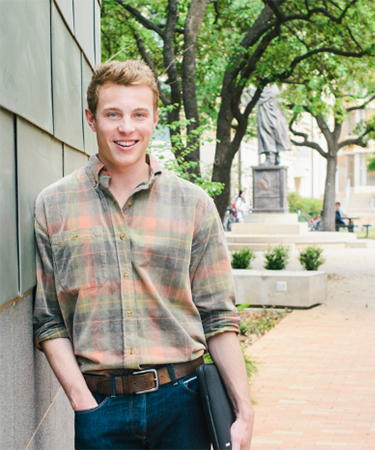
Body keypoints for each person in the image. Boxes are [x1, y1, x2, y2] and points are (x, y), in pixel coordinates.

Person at [33, 60, 254, 450]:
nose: (126, 128)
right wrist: (82, 402)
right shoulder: (53, 205)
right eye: (112, 114)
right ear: (91, 118)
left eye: (139, 114)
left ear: (154, 119)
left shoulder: (193, 205)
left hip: (183, 403)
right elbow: (50, 320)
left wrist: (243, 411)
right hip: (99, 407)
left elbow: (218, 317)